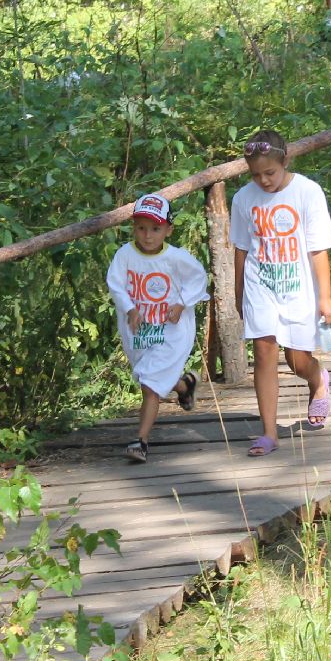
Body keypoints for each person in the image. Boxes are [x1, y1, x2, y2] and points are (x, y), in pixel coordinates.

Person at [231, 130, 331, 457]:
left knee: (296, 359)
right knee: (264, 350)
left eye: (270, 173)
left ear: (285, 160)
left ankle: (317, 377)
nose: (263, 181)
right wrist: (239, 293)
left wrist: (326, 296)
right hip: (260, 284)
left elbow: (318, 249)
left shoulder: (307, 192)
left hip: (299, 285)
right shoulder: (243, 199)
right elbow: (241, 249)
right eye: (255, 175)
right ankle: (269, 432)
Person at [105, 193, 209, 464]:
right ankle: (183, 385)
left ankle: (141, 441)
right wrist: (129, 308)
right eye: (141, 228)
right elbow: (116, 284)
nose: (148, 235)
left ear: (168, 229)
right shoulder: (125, 255)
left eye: (155, 229)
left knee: (150, 385)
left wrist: (181, 303)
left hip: (171, 331)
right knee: (147, 378)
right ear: (133, 227)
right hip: (139, 329)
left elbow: (198, 278)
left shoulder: (176, 258)